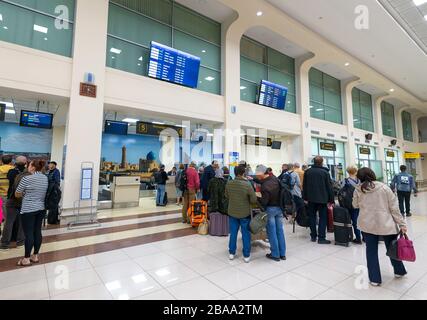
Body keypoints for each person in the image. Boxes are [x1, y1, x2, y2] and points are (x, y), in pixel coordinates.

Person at [353, 167, 408, 286]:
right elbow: (394, 208)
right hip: (386, 223)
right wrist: (402, 224)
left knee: (371, 251)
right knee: (392, 247)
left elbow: (355, 205)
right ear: (373, 175)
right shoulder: (384, 188)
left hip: (367, 224)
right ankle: (399, 271)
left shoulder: (358, 190)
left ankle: (374, 279)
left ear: (360, 178)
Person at [15, 159, 49, 267]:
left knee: (28, 233)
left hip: (28, 209)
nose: (28, 167)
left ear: (33, 167)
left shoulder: (26, 178)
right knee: (37, 231)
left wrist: (25, 193)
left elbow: (17, 194)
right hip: (41, 208)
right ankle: (35, 256)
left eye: (29, 165)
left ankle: (26, 259)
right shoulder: (45, 178)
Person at [225, 165, 257, 263]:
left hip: (232, 212)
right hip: (244, 213)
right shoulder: (247, 184)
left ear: (234, 173)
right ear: (244, 173)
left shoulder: (229, 183)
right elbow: (253, 199)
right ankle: (246, 255)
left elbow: (226, 196)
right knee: (246, 234)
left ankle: (231, 253)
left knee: (233, 233)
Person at [256, 164, 287, 262]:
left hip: (270, 210)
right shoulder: (275, 179)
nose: (257, 176)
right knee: (280, 231)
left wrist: (257, 197)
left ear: (261, 174)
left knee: (271, 232)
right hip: (279, 208)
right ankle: (282, 254)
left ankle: (275, 254)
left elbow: (264, 202)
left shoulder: (265, 186)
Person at [302, 156, 335, 244]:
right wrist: (331, 200)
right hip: (323, 199)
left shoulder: (307, 172)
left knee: (312, 217)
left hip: (311, 199)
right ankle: (321, 238)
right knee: (323, 218)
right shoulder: (325, 172)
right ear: (322, 162)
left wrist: (304, 198)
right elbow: (329, 187)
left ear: (313, 162)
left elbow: (304, 186)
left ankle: (313, 236)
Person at [0, 156, 27, 249]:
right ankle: (20, 242)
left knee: (8, 222)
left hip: (10, 198)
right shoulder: (27, 173)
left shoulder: (11, 172)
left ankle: (4, 244)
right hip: (23, 199)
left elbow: (9, 178)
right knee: (22, 221)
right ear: (25, 163)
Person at [342, 166, 362, 244]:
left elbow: (341, 191)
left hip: (348, 204)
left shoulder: (345, 181)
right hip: (359, 203)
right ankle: (359, 237)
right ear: (356, 171)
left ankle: (349, 236)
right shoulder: (360, 181)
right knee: (357, 221)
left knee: (348, 221)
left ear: (348, 172)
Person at [0, 155, 14, 233]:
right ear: (11, 162)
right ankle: (8, 234)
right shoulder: (14, 170)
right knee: (9, 216)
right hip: (10, 196)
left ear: (2, 161)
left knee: (1, 215)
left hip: (0, 195)